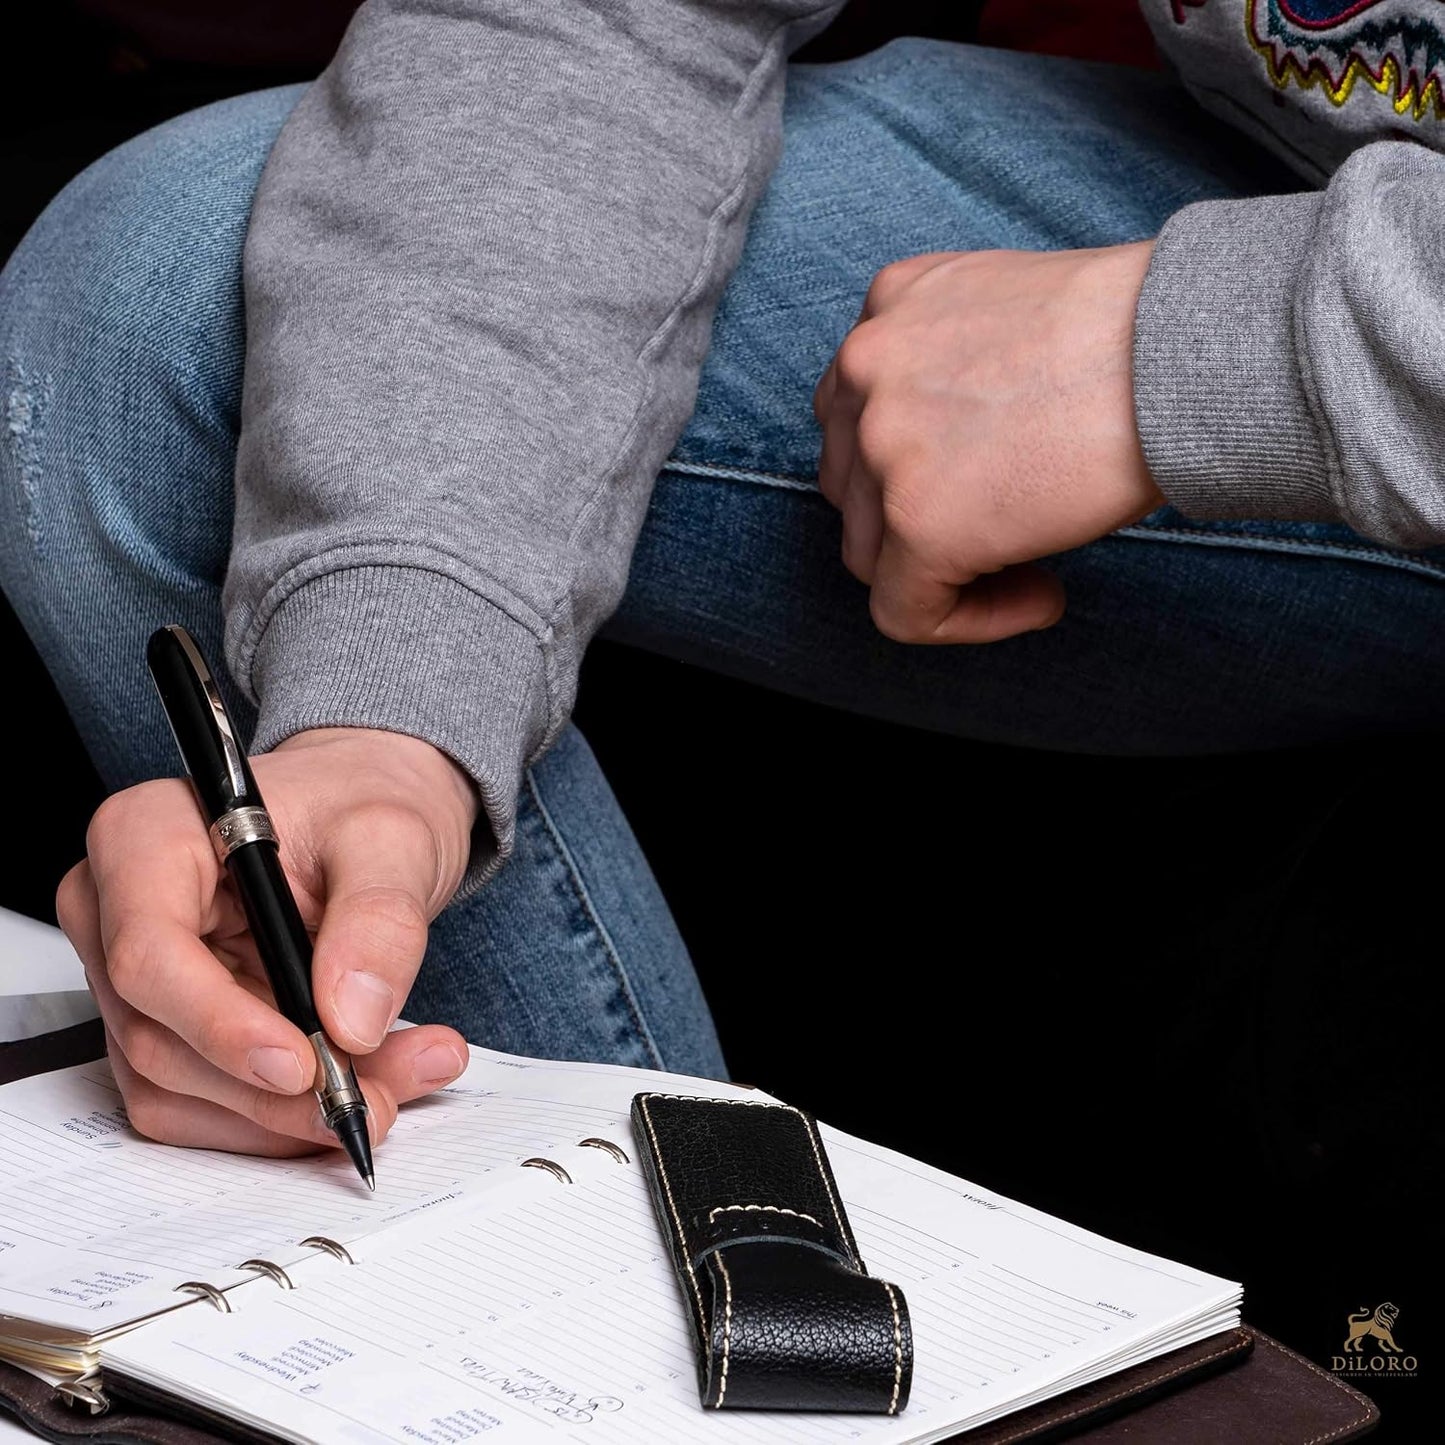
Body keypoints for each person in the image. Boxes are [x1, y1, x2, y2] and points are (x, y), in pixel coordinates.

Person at [1, 0, 1441, 1159]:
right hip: (1300, 185)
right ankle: (546, 1295)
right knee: (160, 299)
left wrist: (1226, 350)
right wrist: (386, 707)